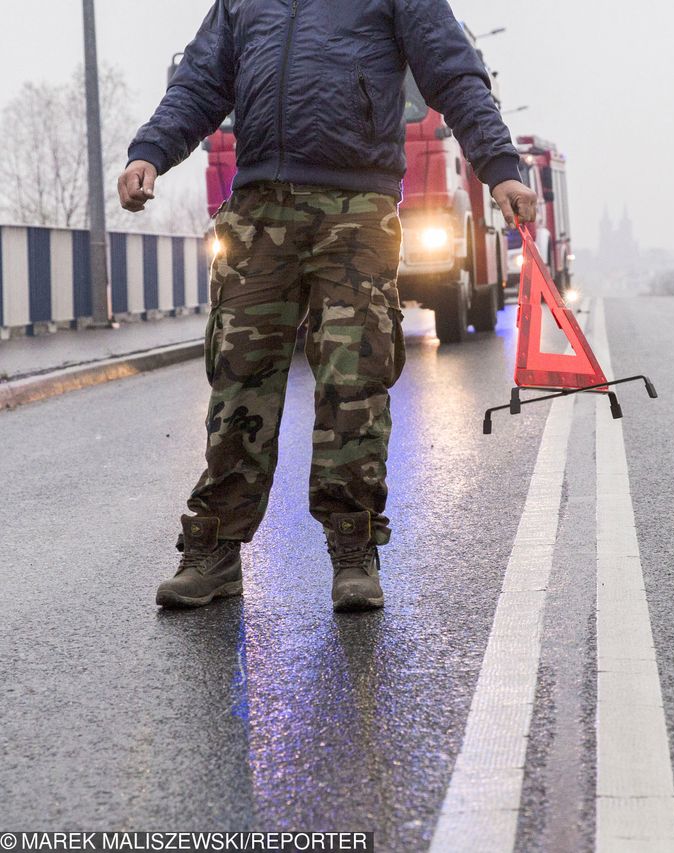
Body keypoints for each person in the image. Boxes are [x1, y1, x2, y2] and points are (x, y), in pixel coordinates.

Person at [118, 0, 537, 612]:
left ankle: (353, 548)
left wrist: (499, 167)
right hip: (259, 209)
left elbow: (453, 71)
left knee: (353, 376)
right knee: (239, 378)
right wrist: (148, 153)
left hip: (356, 210)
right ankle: (214, 551)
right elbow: (202, 81)